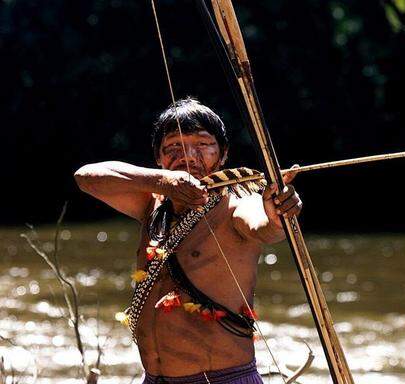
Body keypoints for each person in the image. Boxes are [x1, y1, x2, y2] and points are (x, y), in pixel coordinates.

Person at [74, 97, 302, 384]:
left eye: (202, 145)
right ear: (158, 158)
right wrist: (161, 182)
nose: (188, 156)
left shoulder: (237, 204)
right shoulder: (153, 204)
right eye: (174, 148)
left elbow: (265, 227)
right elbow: (87, 178)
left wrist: (277, 212)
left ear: (223, 154)